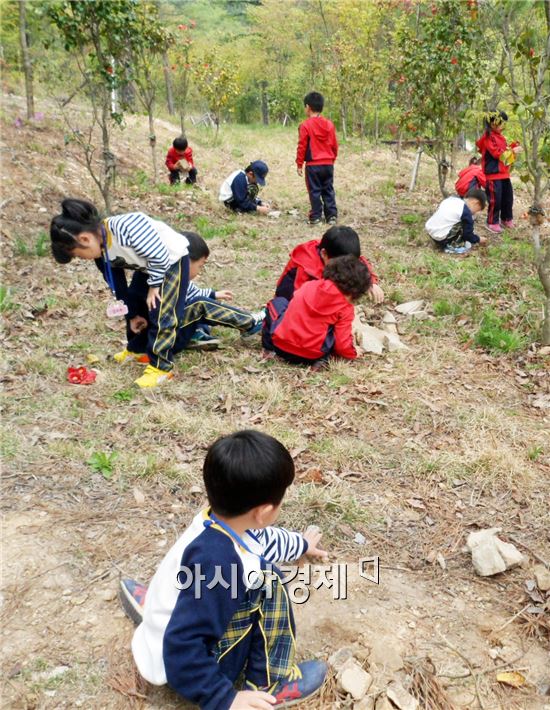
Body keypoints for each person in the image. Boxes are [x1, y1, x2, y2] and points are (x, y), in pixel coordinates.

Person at [127, 430, 328, 710]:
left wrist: (301, 544)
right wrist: (224, 698)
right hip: (184, 666)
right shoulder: (220, 564)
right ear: (264, 511)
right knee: (270, 582)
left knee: (235, 577)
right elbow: (184, 643)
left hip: (166, 632)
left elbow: (265, 539)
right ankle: (271, 682)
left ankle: (155, 608)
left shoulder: (216, 522)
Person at [50, 198, 191, 389]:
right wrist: (132, 314)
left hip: (171, 260)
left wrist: (154, 287)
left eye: (76, 254)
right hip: (148, 267)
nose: (79, 258)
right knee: (135, 297)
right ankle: (138, 349)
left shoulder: (128, 228)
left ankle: (161, 367)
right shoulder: (100, 251)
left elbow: (160, 256)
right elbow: (118, 286)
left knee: (161, 309)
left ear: (84, 239)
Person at [263, 255, 371, 368]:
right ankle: (322, 361)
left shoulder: (309, 285)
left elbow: (293, 307)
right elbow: (342, 344)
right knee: (333, 329)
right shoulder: (345, 308)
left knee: (278, 303)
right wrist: (353, 353)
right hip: (312, 356)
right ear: (356, 292)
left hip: (281, 347)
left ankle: (268, 349)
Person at [175, 232, 266, 352]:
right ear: (186, 261)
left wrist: (213, 294)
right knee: (200, 305)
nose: (200, 271)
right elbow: (196, 299)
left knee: (199, 310)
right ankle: (249, 322)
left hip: (171, 330)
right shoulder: (174, 281)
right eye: (200, 266)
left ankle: (196, 335)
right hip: (168, 337)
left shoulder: (173, 277)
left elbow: (193, 292)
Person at [275, 225, 384, 304]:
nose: (346, 268)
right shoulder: (305, 268)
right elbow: (298, 302)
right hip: (290, 304)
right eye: (342, 265)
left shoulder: (337, 251)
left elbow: (359, 262)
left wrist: (370, 282)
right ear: (324, 254)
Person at [296, 91, 338, 226]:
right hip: (328, 164)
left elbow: (302, 145)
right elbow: (334, 145)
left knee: (314, 191)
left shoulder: (305, 125)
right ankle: (331, 216)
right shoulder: (329, 125)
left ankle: (316, 217)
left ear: (308, 107)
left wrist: (299, 163)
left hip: (313, 165)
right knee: (328, 189)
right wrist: (332, 159)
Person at [476, 110, 521, 234]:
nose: (503, 126)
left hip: (504, 173)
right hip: (493, 174)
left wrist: (512, 147)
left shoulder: (501, 137)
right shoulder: (488, 137)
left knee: (508, 197)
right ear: (493, 124)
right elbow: (498, 154)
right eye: (501, 123)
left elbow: (505, 153)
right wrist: (513, 152)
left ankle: (506, 218)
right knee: (495, 199)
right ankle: (492, 221)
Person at [425, 188, 488, 255]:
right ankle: (451, 246)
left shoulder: (452, 199)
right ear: (476, 203)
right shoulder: (466, 212)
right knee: (463, 226)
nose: (475, 213)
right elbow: (468, 235)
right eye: (477, 210)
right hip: (441, 238)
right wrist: (478, 239)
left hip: (431, 232)